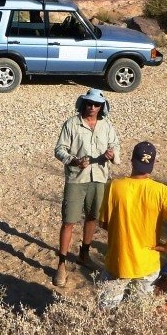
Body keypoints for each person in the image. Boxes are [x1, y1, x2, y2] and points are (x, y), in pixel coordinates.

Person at [98, 141, 167, 307]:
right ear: (152, 164)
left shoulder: (115, 187)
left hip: (118, 261)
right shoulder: (162, 191)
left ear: (131, 160)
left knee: (106, 311)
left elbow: (104, 223)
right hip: (147, 264)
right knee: (140, 311)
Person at [53, 88, 120, 286]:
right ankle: (61, 264)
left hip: (99, 177)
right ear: (83, 103)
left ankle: (84, 254)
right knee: (68, 221)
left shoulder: (106, 125)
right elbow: (59, 150)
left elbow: (115, 145)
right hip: (76, 179)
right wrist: (73, 161)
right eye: (89, 103)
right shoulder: (71, 124)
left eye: (96, 104)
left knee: (92, 217)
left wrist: (111, 154)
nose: (92, 107)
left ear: (102, 107)